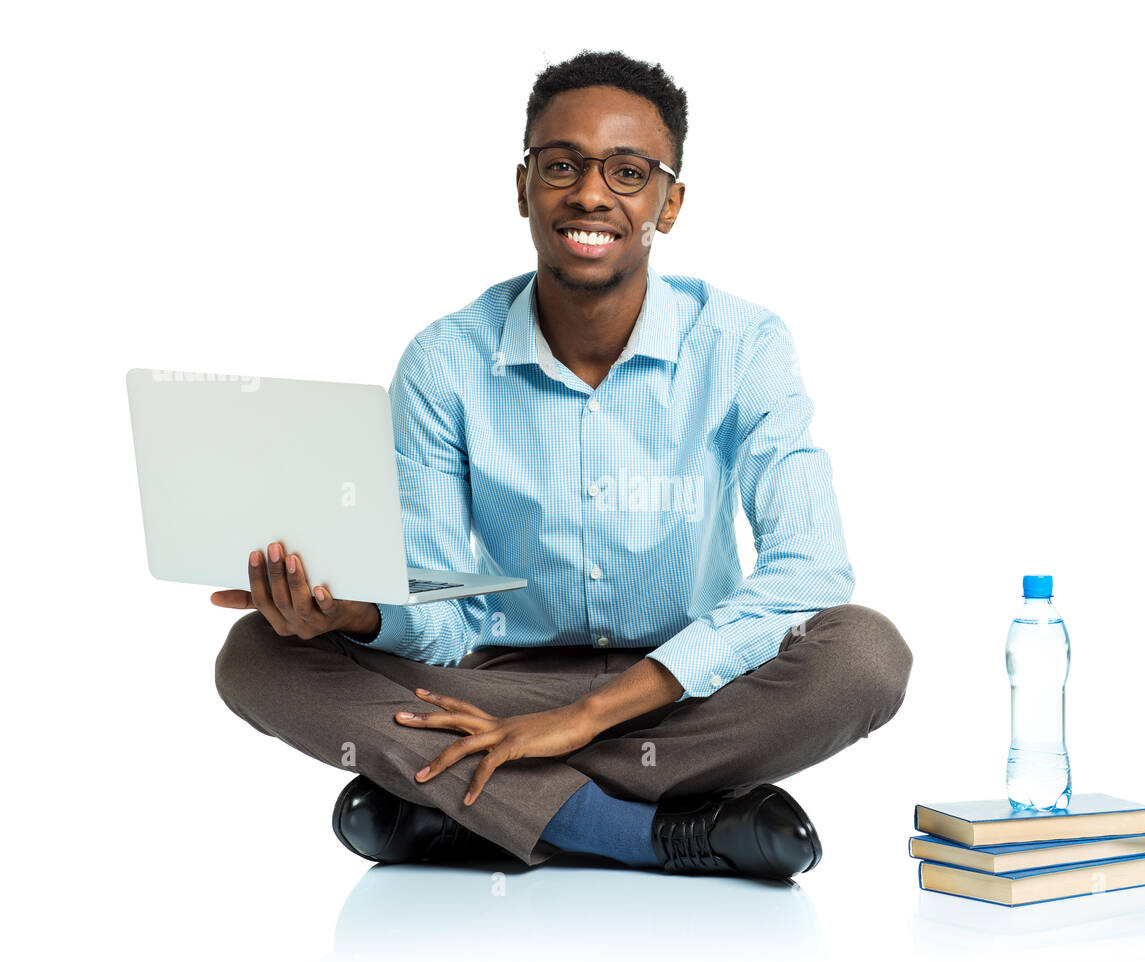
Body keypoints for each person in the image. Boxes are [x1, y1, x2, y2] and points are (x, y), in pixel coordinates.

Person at [213, 49, 913, 880]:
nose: (590, 194)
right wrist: (356, 614)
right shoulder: (446, 360)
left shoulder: (744, 344)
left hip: (691, 685)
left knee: (865, 655)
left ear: (670, 202)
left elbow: (809, 571)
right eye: (561, 166)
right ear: (522, 188)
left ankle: (460, 806)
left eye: (628, 172)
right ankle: (644, 830)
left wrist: (588, 717)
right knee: (257, 655)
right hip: (498, 691)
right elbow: (440, 615)